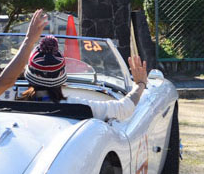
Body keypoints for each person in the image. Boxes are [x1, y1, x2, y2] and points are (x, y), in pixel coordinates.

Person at [15, 35, 150, 121]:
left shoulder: (10, 107)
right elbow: (123, 108)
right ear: (62, 78)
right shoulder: (79, 108)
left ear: (29, 76)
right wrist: (140, 84)